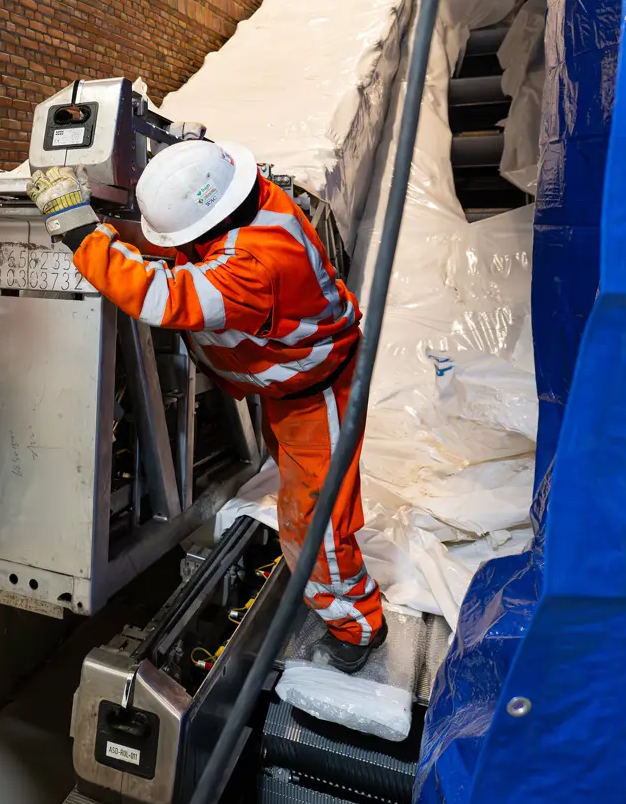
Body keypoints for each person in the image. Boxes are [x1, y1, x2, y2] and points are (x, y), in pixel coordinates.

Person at [28, 140, 387, 671]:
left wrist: (81, 231)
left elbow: (162, 296)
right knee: (300, 494)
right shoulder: (247, 200)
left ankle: (357, 627)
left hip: (319, 396)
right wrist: (107, 229)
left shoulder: (255, 264)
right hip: (289, 390)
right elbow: (177, 251)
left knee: (316, 523)